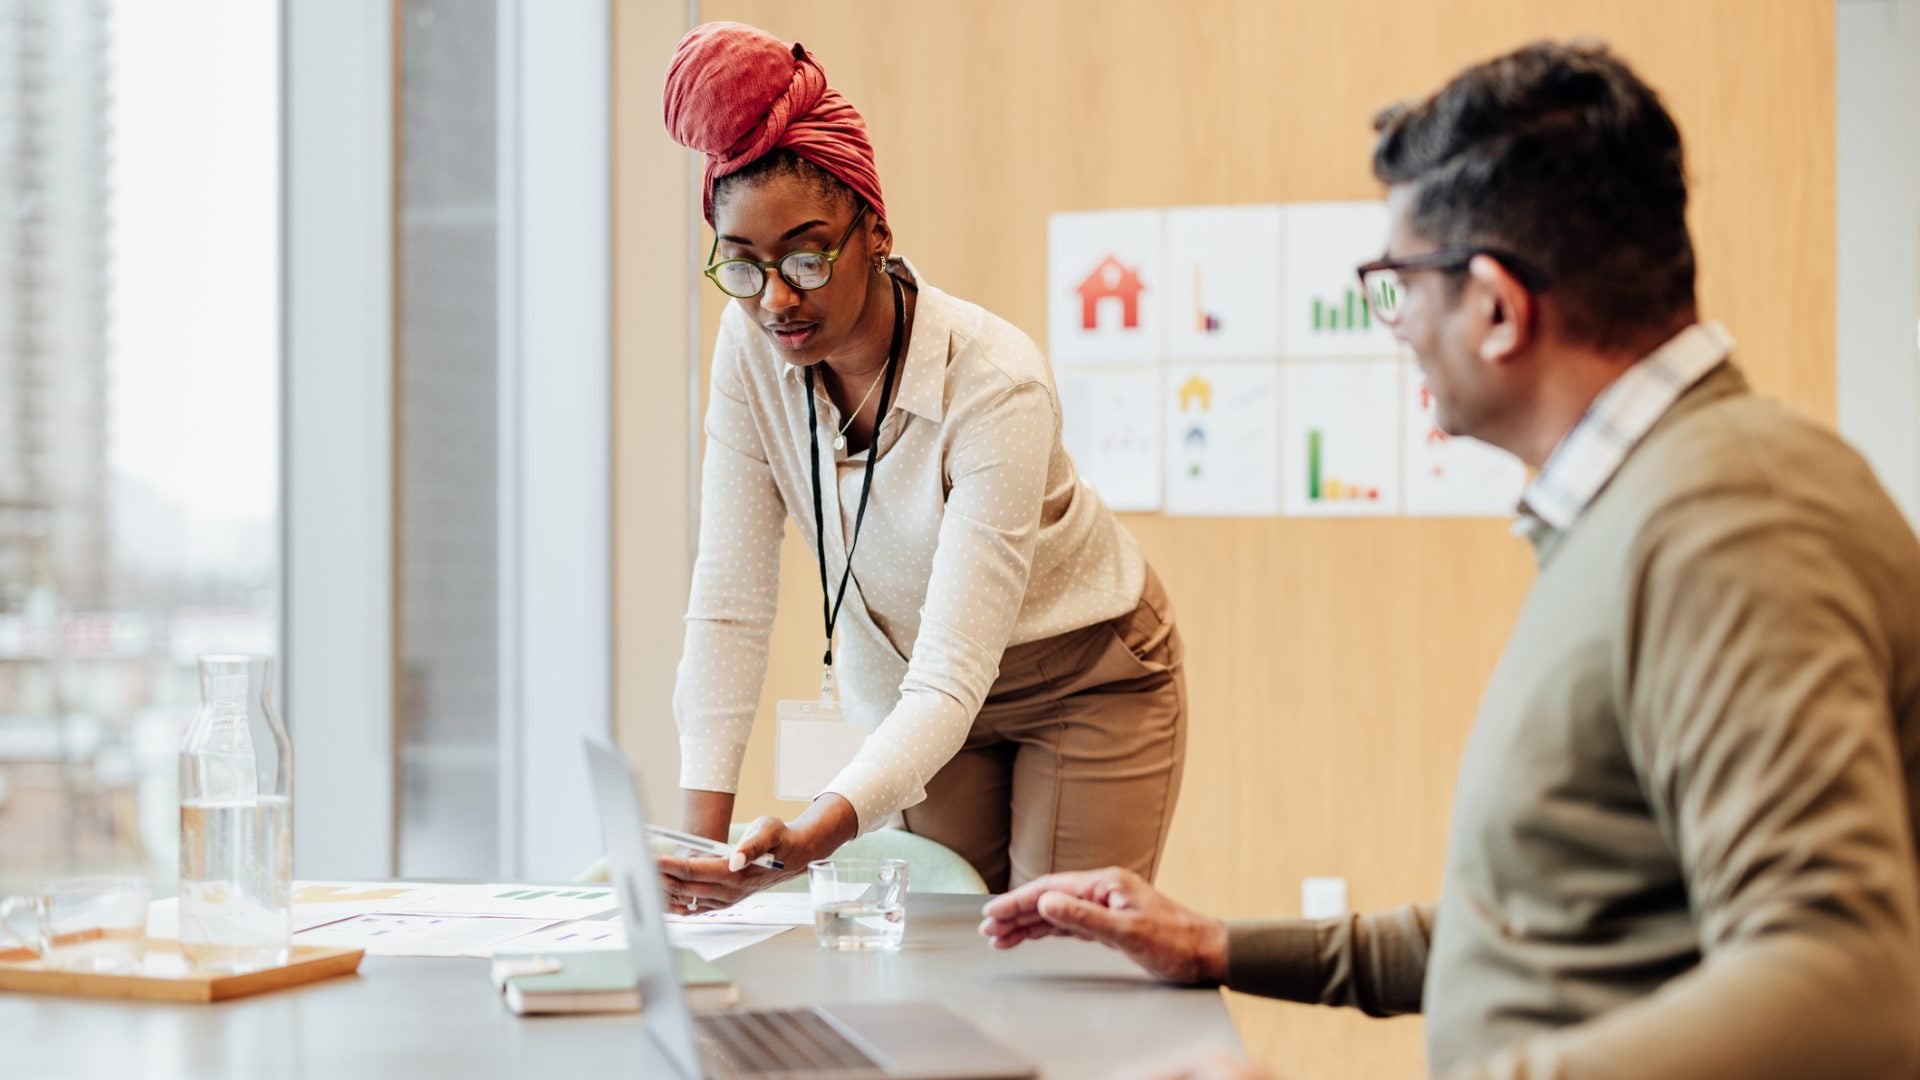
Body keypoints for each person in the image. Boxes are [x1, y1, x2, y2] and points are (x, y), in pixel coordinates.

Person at [981, 40, 1920, 1079]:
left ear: (1495, 305)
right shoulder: (1654, 502)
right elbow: (1549, 917)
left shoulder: (1730, 523)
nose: (1397, 329)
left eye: (1397, 284)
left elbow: (1848, 984)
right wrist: (1221, 946)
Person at [654, 21, 1188, 911]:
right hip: (915, 699)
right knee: (937, 945)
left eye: (807, 256)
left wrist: (815, 834)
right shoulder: (748, 349)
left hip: (1084, 676)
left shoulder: (995, 382)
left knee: (1051, 948)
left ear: (875, 229)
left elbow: (954, 672)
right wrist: (696, 857)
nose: (777, 299)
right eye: (743, 268)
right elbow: (729, 607)